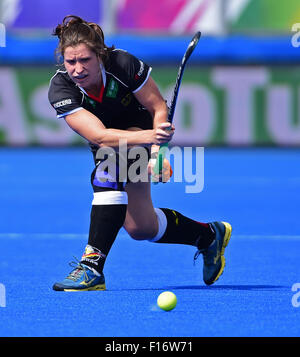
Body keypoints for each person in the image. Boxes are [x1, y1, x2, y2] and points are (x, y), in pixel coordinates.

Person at [48, 15, 232, 291]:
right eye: (70, 61)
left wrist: (158, 152)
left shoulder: (124, 64)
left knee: (107, 171)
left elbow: (158, 108)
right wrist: (151, 139)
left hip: (138, 130)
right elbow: (98, 136)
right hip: (112, 140)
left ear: (100, 55)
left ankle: (91, 268)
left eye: (84, 60)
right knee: (140, 227)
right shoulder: (61, 87)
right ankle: (208, 235)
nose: (77, 69)